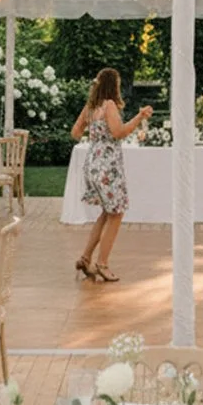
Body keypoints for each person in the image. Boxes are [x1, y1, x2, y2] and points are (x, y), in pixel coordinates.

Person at [70, 67, 152, 282]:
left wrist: (94, 135)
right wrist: (139, 116)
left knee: (107, 213)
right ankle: (103, 264)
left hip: (92, 163)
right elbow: (119, 133)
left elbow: (75, 132)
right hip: (108, 167)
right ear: (113, 85)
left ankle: (85, 258)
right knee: (117, 214)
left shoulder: (90, 107)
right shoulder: (109, 105)